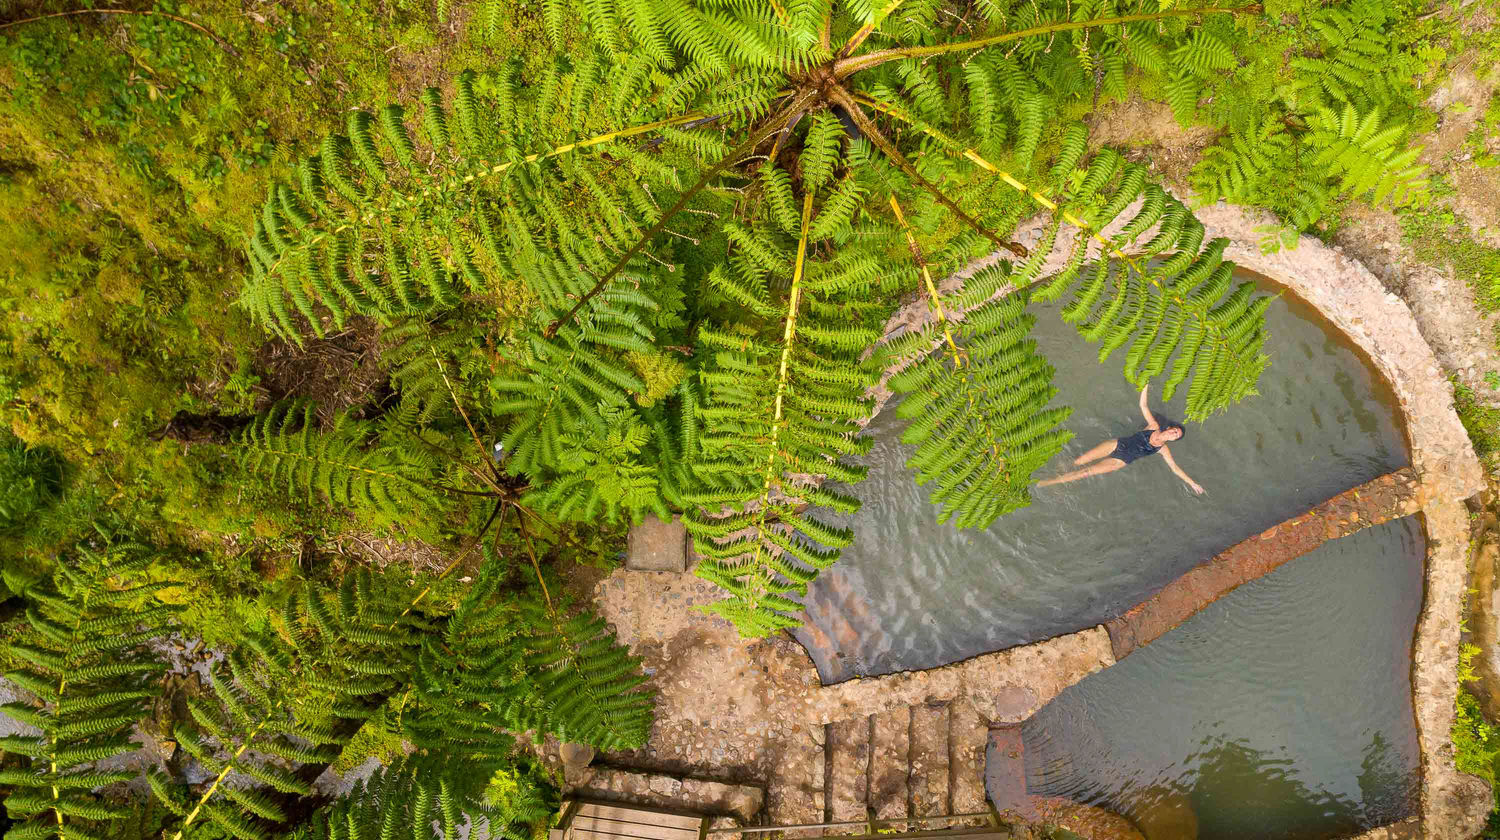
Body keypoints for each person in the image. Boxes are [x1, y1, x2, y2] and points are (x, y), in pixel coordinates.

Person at [1036, 384, 1206, 494]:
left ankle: (1049, 482)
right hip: (1116, 444)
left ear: (1173, 440)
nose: (1174, 434)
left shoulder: (1162, 449)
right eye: (1175, 430)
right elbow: (1143, 406)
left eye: (1176, 436)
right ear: (1169, 428)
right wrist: (1146, 384)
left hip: (1121, 460)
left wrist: (1192, 483)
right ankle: (1061, 468)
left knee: (1085, 472)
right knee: (1079, 461)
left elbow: (1175, 468)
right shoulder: (1153, 426)